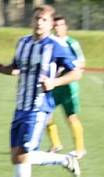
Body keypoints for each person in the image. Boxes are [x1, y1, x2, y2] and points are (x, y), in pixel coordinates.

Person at [0, 4, 81, 177]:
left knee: (25, 155)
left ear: (50, 24)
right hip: (20, 105)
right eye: (37, 19)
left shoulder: (56, 46)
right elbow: (17, 68)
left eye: (44, 20)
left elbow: (76, 73)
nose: (39, 23)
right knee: (17, 157)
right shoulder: (23, 43)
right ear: (32, 21)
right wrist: (1, 69)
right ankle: (64, 160)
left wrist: (55, 81)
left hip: (38, 107)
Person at [45, 14, 86, 159]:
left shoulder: (71, 43)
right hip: (53, 86)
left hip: (68, 87)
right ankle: (56, 144)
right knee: (46, 115)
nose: (57, 28)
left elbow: (81, 63)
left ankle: (80, 149)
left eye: (60, 25)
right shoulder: (50, 43)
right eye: (55, 25)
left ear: (65, 27)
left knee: (71, 117)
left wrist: (67, 69)